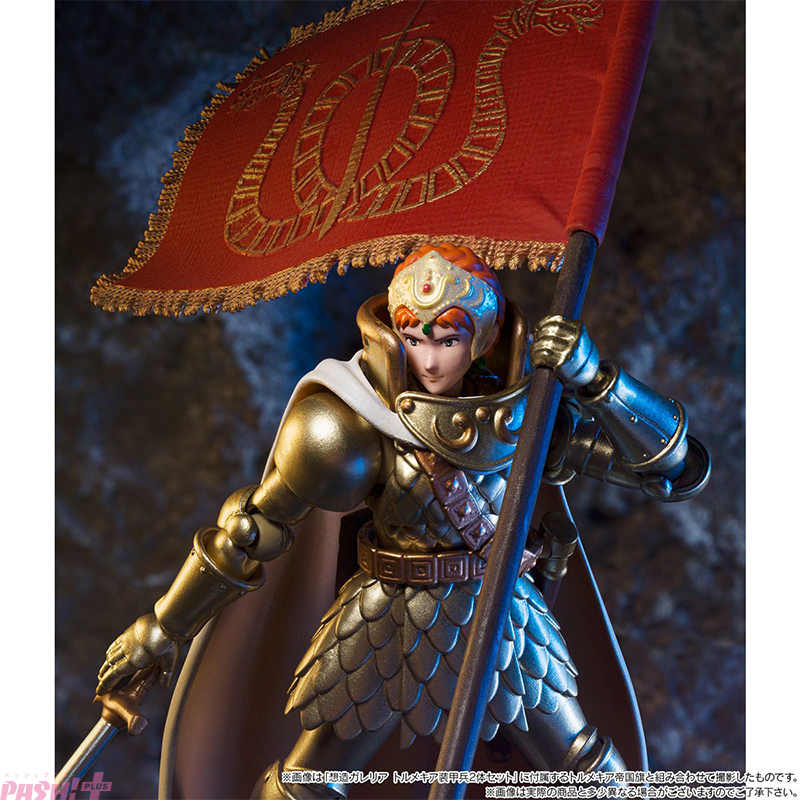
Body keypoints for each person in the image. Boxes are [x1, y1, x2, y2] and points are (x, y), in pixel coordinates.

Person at [96, 243, 710, 799]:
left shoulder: (527, 416)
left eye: (448, 339)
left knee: (594, 777)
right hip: (386, 618)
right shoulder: (358, 418)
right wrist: (163, 628)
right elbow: (251, 531)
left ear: (483, 338)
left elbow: (672, 472)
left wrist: (596, 380)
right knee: (304, 786)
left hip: (504, 617)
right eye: (415, 338)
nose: (430, 359)